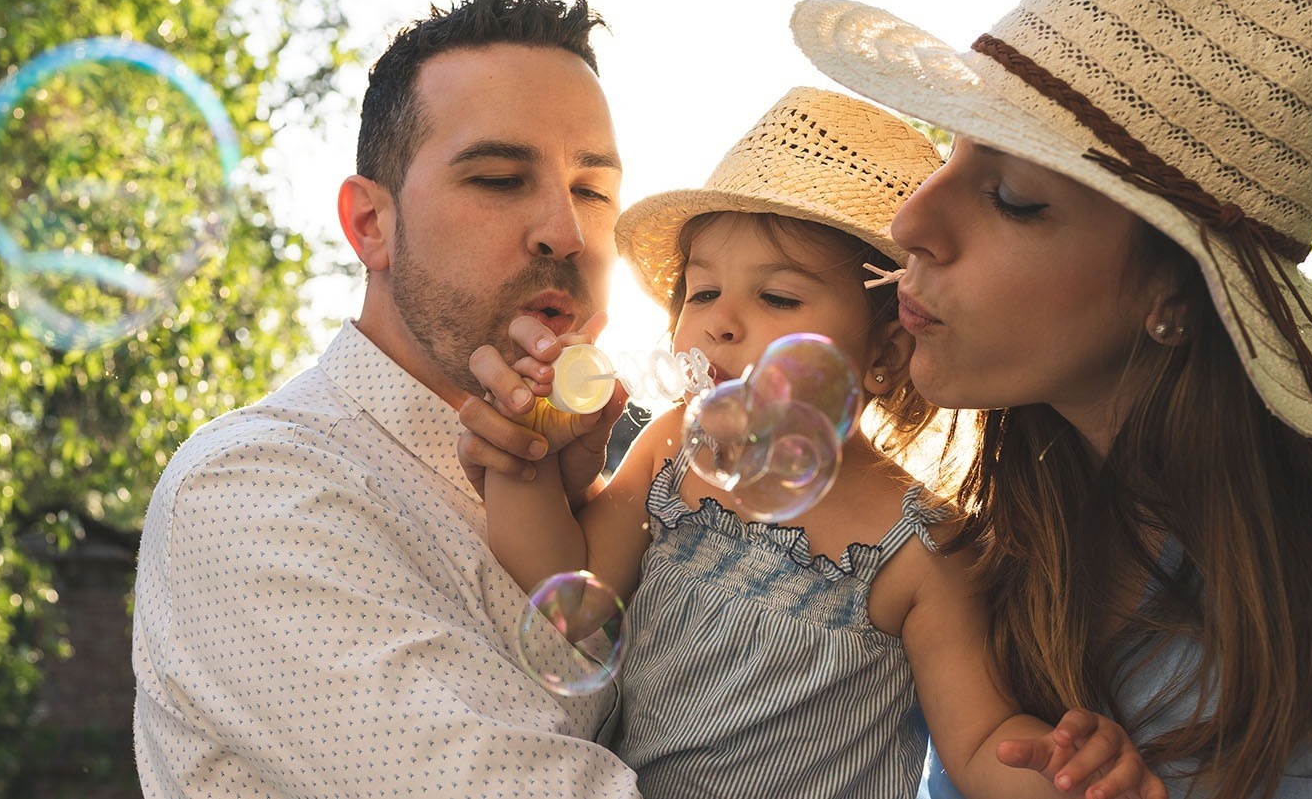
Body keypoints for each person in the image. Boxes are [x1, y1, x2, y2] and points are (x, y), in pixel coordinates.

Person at [788, 0, 1312, 798]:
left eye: (1011, 197)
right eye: (951, 154)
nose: (910, 220)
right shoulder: (1013, 546)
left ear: (1177, 296)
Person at [466, 88, 1166, 799]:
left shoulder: (923, 545)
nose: (721, 324)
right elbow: (565, 582)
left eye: (778, 298)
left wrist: (1065, 772)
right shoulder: (675, 450)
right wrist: (521, 459)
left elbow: (980, 741)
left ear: (886, 349)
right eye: (702, 292)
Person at [131, 0, 640, 798]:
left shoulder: (632, 480)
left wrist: (566, 519)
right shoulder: (249, 492)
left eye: (593, 190)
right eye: (502, 178)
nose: (566, 230)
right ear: (372, 224)